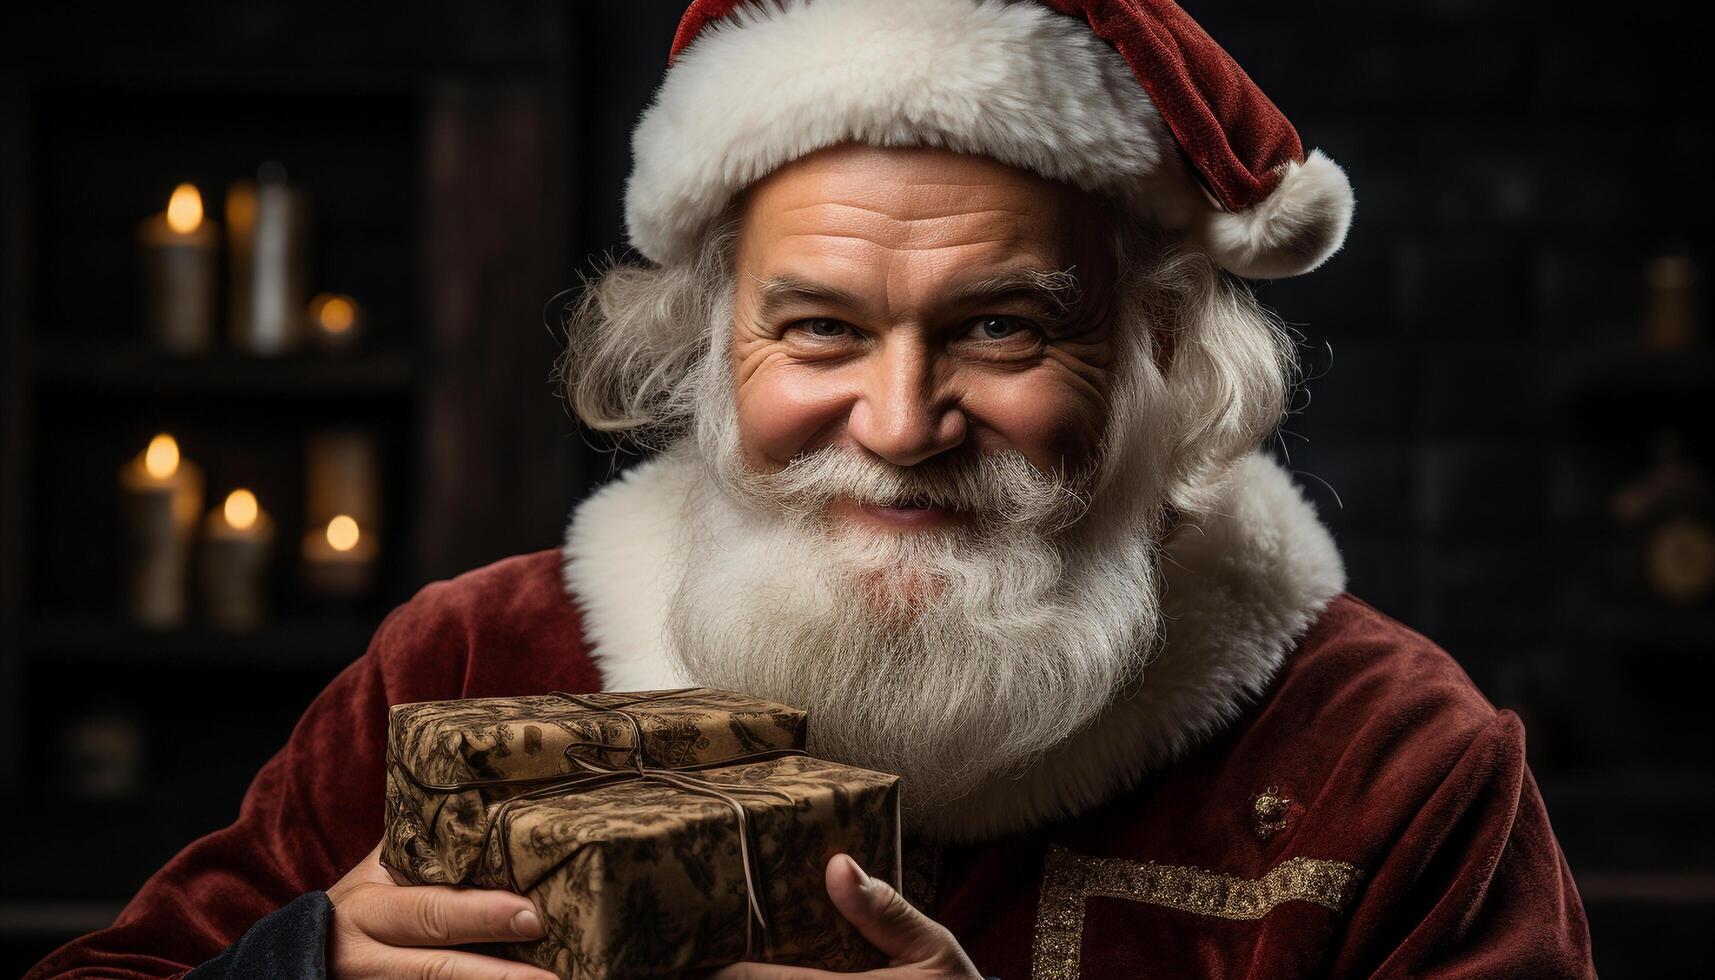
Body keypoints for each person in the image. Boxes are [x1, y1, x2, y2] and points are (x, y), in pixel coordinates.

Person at [28, 1, 1596, 977]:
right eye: (822, 329)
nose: (903, 422)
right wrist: (306, 968)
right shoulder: (470, 663)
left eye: (1003, 327)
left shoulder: (1391, 768)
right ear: (708, 346)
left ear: (1164, 352)